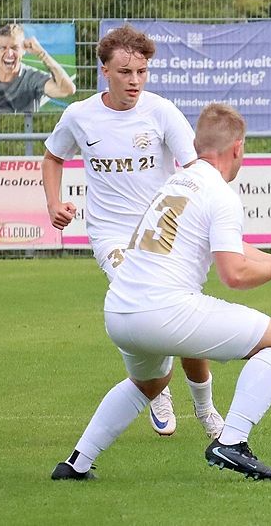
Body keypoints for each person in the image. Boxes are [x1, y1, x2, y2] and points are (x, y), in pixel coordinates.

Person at [51, 103, 271, 481]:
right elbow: (234, 274)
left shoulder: (176, 183)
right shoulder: (221, 194)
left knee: (151, 382)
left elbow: (227, 244)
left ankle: (76, 463)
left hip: (120, 311)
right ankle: (232, 442)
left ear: (195, 143)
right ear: (238, 148)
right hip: (164, 310)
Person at [41, 24, 223, 440]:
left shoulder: (161, 111)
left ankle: (205, 407)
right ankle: (157, 388)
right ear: (104, 69)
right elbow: (52, 157)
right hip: (112, 236)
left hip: (165, 232)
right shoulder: (80, 116)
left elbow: (195, 168)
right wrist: (54, 204)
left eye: (141, 72)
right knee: (141, 304)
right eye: (125, 72)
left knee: (185, 317)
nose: (135, 81)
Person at [0, 23, 76, 113]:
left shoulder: (33, 78)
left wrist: (42, 53)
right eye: (3, 48)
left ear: (23, 50)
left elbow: (68, 90)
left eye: (14, 48)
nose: (9, 53)